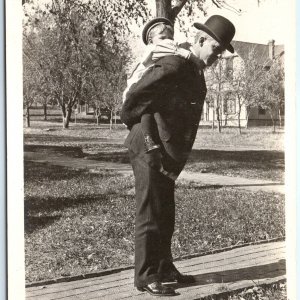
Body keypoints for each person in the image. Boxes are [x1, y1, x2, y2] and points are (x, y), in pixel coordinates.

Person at [121, 15, 235, 297]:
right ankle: (146, 276)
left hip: (164, 149)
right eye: (216, 50)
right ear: (200, 41)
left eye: (221, 53)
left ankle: (164, 267)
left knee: (166, 211)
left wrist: (171, 156)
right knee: (150, 210)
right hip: (148, 143)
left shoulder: (193, 71)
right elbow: (135, 101)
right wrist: (150, 142)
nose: (217, 57)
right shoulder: (174, 65)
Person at [123, 18, 204, 153]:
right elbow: (177, 52)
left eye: (170, 37)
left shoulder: (161, 47)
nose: (168, 40)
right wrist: (189, 55)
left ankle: (148, 139)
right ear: (150, 41)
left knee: (149, 110)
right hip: (137, 85)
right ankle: (147, 139)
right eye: (162, 37)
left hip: (149, 83)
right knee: (145, 111)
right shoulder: (154, 48)